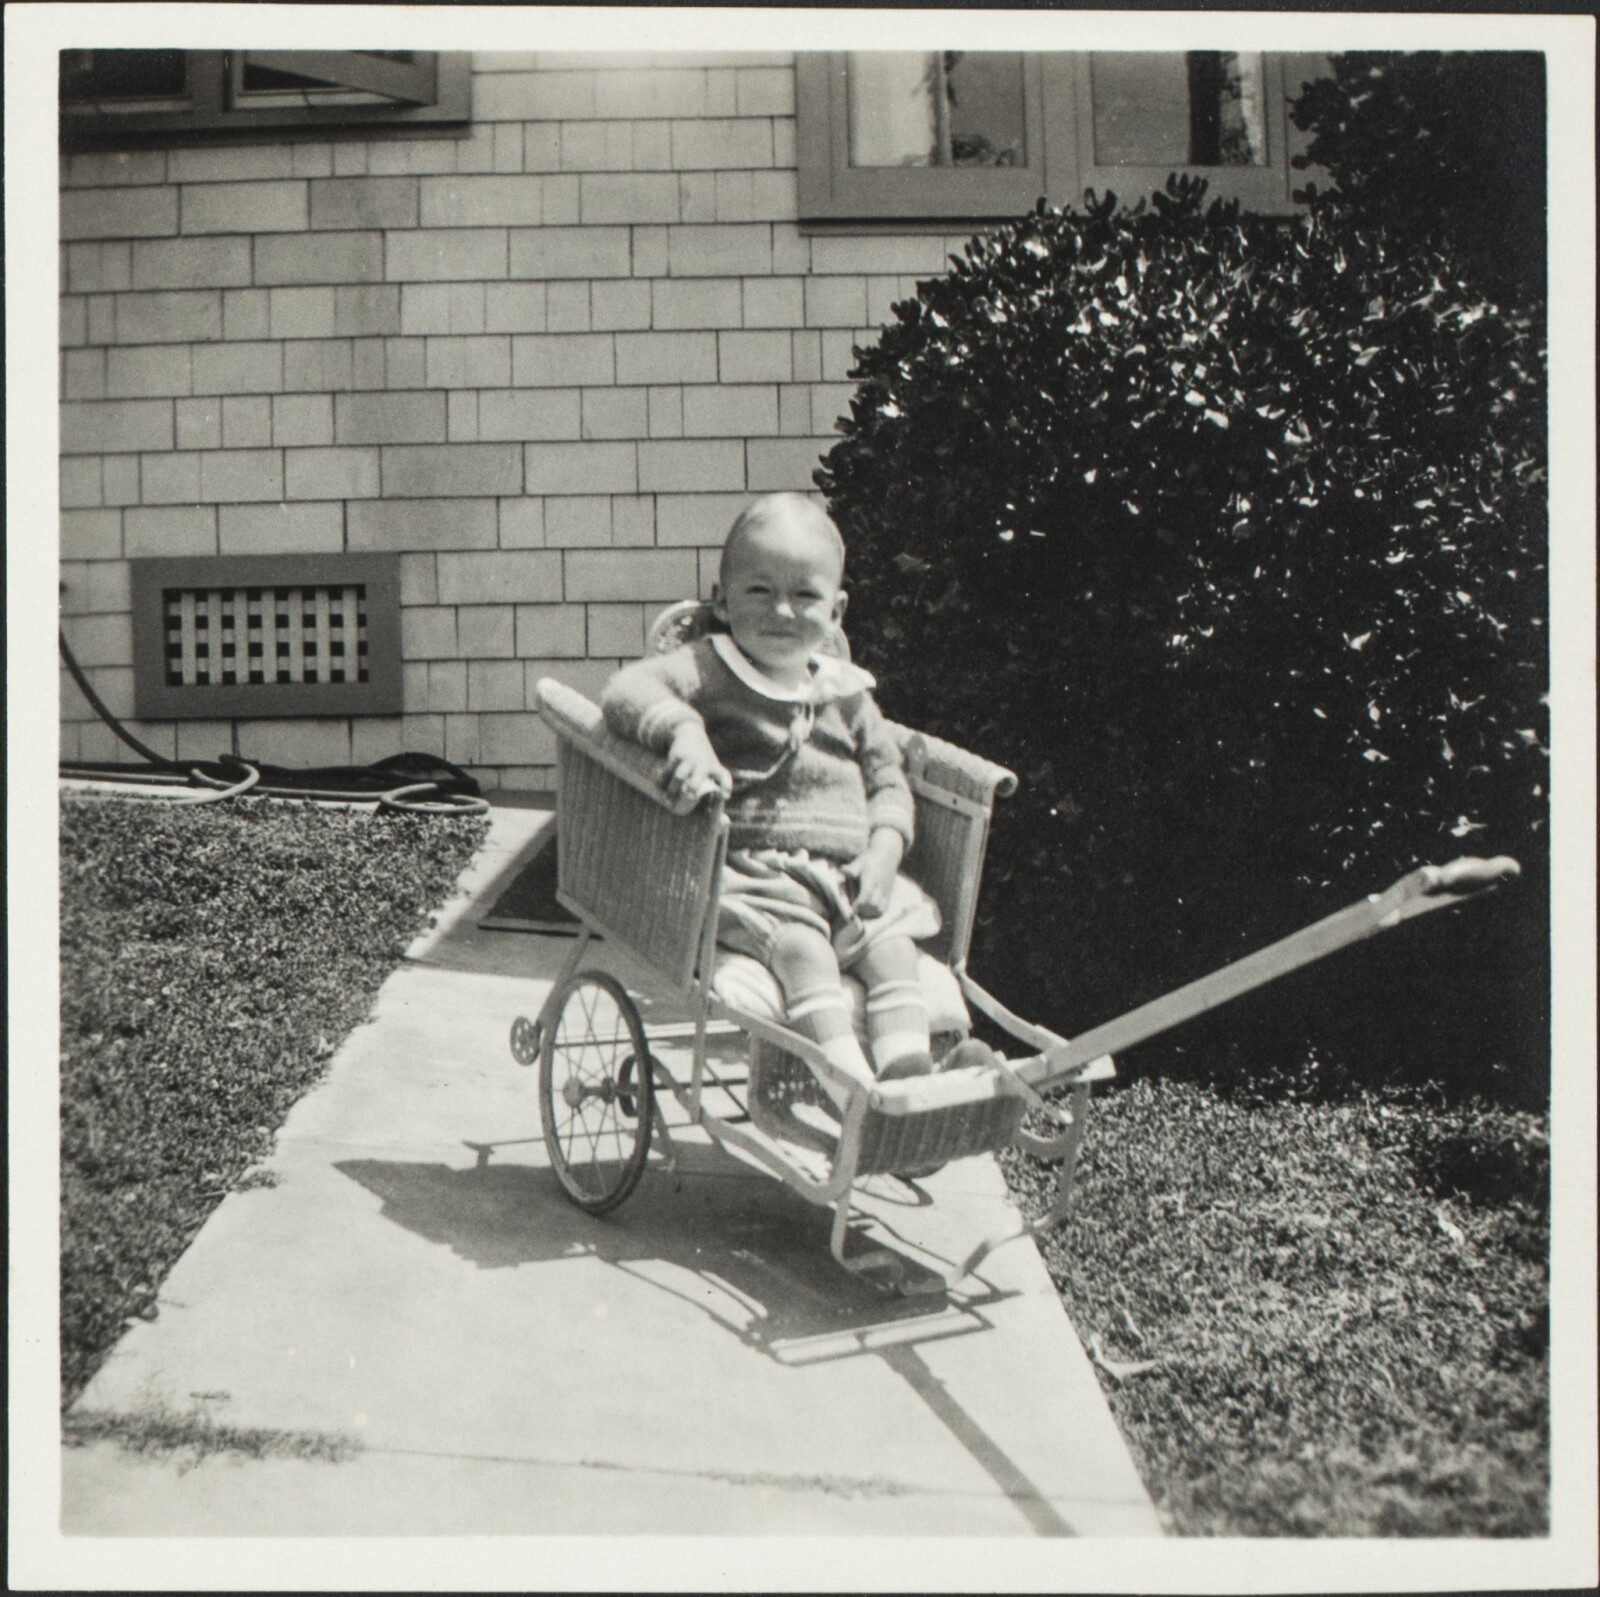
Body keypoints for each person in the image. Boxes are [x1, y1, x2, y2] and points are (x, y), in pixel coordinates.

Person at [603, 493, 987, 1102]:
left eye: (804, 595)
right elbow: (626, 690)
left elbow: (889, 780)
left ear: (835, 611)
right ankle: (850, 1090)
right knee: (803, 953)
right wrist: (684, 730)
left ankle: (907, 1075)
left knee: (891, 950)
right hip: (756, 876)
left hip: (847, 877)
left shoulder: (846, 694)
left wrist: (884, 855)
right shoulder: (707, 667)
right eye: (758, 591)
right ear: (722, 600)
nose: (782, 610)